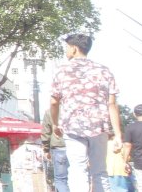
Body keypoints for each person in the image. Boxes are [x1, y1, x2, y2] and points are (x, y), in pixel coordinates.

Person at [50, 32, 121, 192]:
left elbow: (54, 101)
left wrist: (55, 124)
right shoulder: (104, 71)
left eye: (67, 47)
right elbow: (112, 104)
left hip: (72, 126)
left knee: (77, 169)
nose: (66, 51)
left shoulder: (62, 71)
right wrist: (118, 135)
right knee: (100, 171)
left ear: (74, 49)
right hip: (99, 126)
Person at [43, 110, 69, 192]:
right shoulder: (73, 107)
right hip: (74, 146)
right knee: (78, 175)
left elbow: (46, 132)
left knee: (61, 179)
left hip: (58, 147)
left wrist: (46, 150)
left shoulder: (49, 112)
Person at [122, 104, 142, 192]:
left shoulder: (130, 128)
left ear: (134, 114)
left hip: (141, 163)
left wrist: (125, 162)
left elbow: (127, 146)